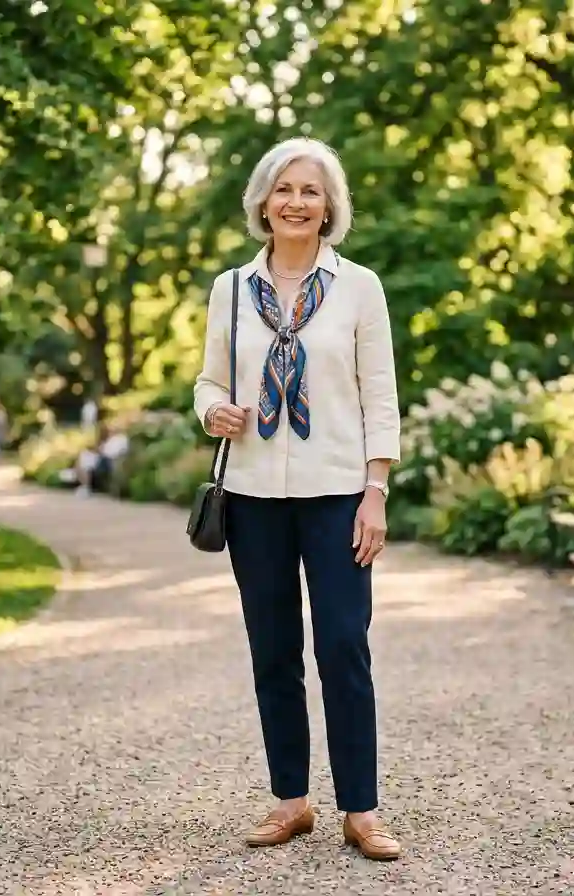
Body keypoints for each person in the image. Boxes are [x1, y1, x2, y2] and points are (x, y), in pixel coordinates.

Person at [193, 137, 401, 860]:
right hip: (252, 495)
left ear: (329, 207)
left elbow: (381, 396)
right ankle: (292, 801)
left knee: (344, 645)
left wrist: (375, 491)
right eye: (285, 189)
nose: (297, 202)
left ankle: (362, 810)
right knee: (273, 649)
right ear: (262, 202)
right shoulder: (231, 289)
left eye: (311, 191)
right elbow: (209, 380)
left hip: (339, 492)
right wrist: (211, 410)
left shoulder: (359, 287)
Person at [74, 424, 129, 496]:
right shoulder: (110, 439)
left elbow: (117, 452)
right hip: (103, 457)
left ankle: (86, 486)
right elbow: (102, 450)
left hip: (109, 460)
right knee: (83, 458)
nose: (111, 431)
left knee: (85, 463)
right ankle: (85, 485)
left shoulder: (121, 439)